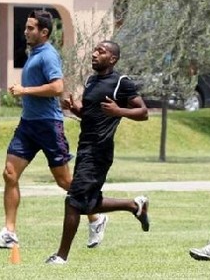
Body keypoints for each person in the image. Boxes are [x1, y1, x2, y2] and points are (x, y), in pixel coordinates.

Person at [0, 10, 106, 249]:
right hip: (28, 125)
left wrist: (24, 91)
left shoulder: (48, 55)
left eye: (31, 28)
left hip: (49, 126)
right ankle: (9, 233)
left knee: (64, 182)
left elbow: (57, 86)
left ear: (44, 32)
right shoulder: (34, 53)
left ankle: (96, 217)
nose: (25, 31)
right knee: (10, 173)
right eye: (26, 27)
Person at [45, 40, 149, 265]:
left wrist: (118, 111)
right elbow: (93, 114)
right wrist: (75, 110)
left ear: (112, 59)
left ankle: (61, 256)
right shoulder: (92, 81)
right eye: (94, 50)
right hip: (85, 146)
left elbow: (143, 112)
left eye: (100, 52)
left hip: (99, 150)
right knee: (87, 202)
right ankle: (134, 205)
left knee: (73, 201)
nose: (94, 54)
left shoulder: (121, 82)